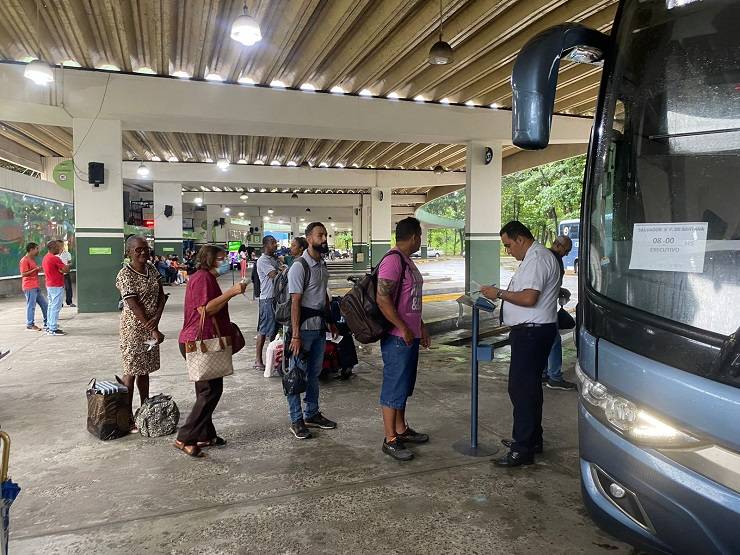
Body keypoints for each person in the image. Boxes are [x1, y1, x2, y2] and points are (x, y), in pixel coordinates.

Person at [481, 221, 560, 467]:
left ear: (520, 239)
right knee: (530, 389)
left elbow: (529, 297)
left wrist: (500, 294)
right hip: (534, 332)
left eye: (508, 245)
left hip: (532, 334)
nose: (508, 251)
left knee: (521, 390)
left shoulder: (537, 258)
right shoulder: (536, 257)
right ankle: (532, 439)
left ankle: (522, 448)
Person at [175, 245, 247, 457]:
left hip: (203, 340)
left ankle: (205, 434)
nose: (226, 261)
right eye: (221, 258)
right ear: (210, 259)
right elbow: (205, 309)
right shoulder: (202, 278)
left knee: (205, 390)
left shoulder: (205, 278)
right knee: (209, 392)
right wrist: (231, 293)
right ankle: (185, 437)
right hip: (200, 341)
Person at [376, 217, 431, 461]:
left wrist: (420, 326)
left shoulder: (406, 261)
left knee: (404, 386)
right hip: (397, 337)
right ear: (414, 236)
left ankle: (401, 429)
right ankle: (390, 439)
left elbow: (410, 301)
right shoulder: (393, 261)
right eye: (420, 236)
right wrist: (403, 327)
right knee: (393, 386)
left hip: (409, 335)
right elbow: (382, 299)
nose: (421, 240)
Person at [286, 222, 338, 439]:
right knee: (295, 376)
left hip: (318, 329)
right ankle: (296, 419)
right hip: (302, 331)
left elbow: (322, 296)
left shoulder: (322, 265)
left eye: (325, 235)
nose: (324, 239)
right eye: (320, 235)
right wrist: (296, 335)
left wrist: (330, 320)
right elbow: (295, 302)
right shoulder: (300, 266)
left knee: (314, 375)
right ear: (309, 238)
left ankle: (312, 413)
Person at [115, 236, 167, 432]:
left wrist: (157, 319)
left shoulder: (151, 269)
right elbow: (134, 306)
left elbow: (161, 296)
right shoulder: (124, 275)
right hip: (133, 328)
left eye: (145, 248)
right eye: (138, 250)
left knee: (144, 370)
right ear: (129, 252)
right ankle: (126, 416)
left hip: (151, 325)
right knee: (131, 371)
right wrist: (152, 328)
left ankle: (145, 408)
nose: (143, 252)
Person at [543, 235, 577, 391]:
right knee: (554, 341)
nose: (567, 254)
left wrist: (560, 290)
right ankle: (555, 377)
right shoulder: (553, 258)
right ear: (559, 246)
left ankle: (543, 373)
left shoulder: (545, 256)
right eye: (567, 250)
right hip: (546, 308)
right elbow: (549, 284)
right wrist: (560, 291)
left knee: (545, 342)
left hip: (542, 307)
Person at [254, 235, 281, 370]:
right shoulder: (263, 260)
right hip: (267, 299)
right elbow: (274, 276)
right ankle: (258, 360)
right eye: (272, 243)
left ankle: (273, 359)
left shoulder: (274, 259)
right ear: (265, 245)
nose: (275, 245)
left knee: (275, 329)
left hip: (276, 298)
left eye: (275, 242)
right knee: (264, 329)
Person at [42, 240, 70, 336]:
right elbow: (65, 269)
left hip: (50, 285)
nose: (60, 248)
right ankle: (53, 328)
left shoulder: (46, 257)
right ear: (53, 247)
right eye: (58, 247)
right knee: (55, 307)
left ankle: (49, 325)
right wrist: (67, 266)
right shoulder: (55, 258)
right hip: (57, 285)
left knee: (51, 305)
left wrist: (61, 269)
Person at [19, 242, 48, 331]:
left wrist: (37, 269)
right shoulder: (24, 260)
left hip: (35, 286)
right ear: (31, 250)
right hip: (29, 286)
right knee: (31, 306)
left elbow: (32, 271)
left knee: (44, 304)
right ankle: (30, 324)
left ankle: (48, 322)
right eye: (36, 249)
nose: (38, 251)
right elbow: (23, 274)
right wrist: (35, 269)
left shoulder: (32, 259)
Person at [57, 242, 76, 308]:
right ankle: (60, 303)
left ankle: (69, 302)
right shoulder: (54, 254)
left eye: (62, 245)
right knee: (59, 289)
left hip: (65, 273)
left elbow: (70, 263)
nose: (61, 246)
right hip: (57, 274)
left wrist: (67, 265)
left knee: (68, 288)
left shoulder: (67, 253)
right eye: (59, 245)